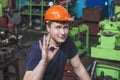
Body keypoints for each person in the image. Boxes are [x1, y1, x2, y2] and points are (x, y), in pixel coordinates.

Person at [23, 5, 90, 80]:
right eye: (58, 27)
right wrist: (44, 62)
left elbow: (78, 67)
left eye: (65, 27)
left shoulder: (67, 42)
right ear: (48, 27)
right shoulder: (37, 49)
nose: (63, 32)